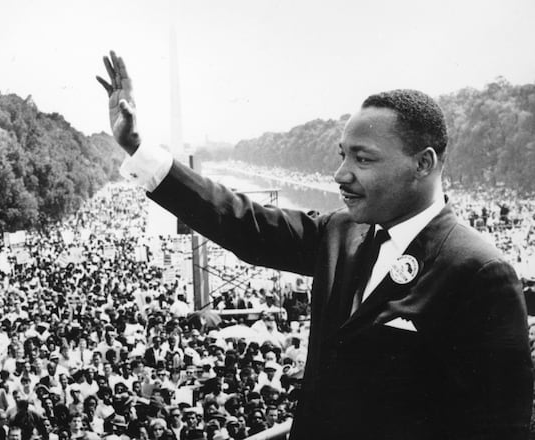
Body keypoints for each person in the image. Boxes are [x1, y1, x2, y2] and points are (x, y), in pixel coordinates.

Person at [97, 51, 533, 439]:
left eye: (362, 159)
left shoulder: (479, 272)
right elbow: (242, 224)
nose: (341, 174)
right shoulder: (341, 232)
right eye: (341, 155)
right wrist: (138, 148)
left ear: (423, 164)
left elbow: (500, 427)